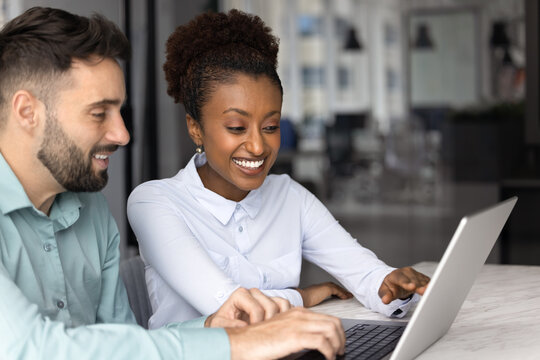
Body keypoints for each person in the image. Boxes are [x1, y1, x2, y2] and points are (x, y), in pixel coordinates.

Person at [0, 7, 347, 360]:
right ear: (28, 112)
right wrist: (238, 345)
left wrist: (211, 328)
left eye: (120, 111)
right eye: (98, 113)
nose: (122, 134)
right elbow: (29, 349)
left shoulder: (91, 211)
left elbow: (125, 341)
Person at [127, 9, 430, 330]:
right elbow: (234, 313)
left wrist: (389, 282)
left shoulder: (290, 196)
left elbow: (366, 274)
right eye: (236, 126)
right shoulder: (154, 202)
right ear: (195, 128)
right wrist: (301, 296)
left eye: (270, 126)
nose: (258, 146)